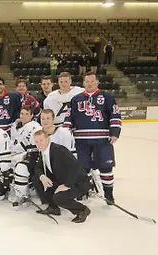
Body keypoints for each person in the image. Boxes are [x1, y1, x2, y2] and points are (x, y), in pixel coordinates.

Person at [63, 72, 121, 204]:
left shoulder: (107, 98)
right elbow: (68, 118)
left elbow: (115, 115)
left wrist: (115, 132)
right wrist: (66, 134)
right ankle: (84, 191)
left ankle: (108, 195)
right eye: (87, 81)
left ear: (97, 82)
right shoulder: (76, 99)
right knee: (82, 168)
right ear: (83, 83)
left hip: (102, 140)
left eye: (92, 81)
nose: (89, 84)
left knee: (106, 168)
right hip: (81, 141)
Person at [33, 130, 91, 223]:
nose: (39, 144)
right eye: (36, 141)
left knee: (59, 197)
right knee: (37, 179)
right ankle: (53, 208)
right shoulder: (43, 151)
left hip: (77, 182)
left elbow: (75, 167)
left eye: (41, 140)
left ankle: (82, 210)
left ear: (48, 139)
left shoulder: (59, 150)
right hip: (62, 179)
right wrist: (42, 176)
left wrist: (67, 185)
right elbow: (38, 168)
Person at [8, 105, 42, 206]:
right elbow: (13, 142)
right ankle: (16, 188)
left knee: (21, 168)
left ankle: (22, 194)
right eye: (22, 114)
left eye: (27, 114)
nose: (24, 116)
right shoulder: (15, 126)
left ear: (32, 115)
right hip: (15, 154)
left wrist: (13, 151)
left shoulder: (34, 126)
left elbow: (28, 144)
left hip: (32, 156)